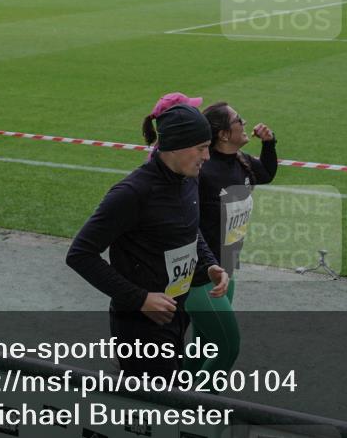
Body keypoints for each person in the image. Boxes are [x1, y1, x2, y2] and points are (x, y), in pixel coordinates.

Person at [66, 103, 229, 376]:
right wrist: (140, 299)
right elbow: (80, 254)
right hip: (140, 324)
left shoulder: (188, 179)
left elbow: (189, 228)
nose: (207, 156)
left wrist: (209, 264)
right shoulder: (132, 193)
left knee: (165, 403)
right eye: (201, 148)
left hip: (176, 312)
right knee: (155, 409)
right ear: (176, 145)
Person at [185, 101, 277, 375]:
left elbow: (267, 173)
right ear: (224, 134)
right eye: (239, 119)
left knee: (203, 344)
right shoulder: (204, 172)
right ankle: (201, 409)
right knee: (227, 345)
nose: (245, 122)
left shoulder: (241, 162)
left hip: (226, 269)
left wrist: (269, 144)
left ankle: (176, 393)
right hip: (199, 276)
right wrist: (207, 263)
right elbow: (186, 223)